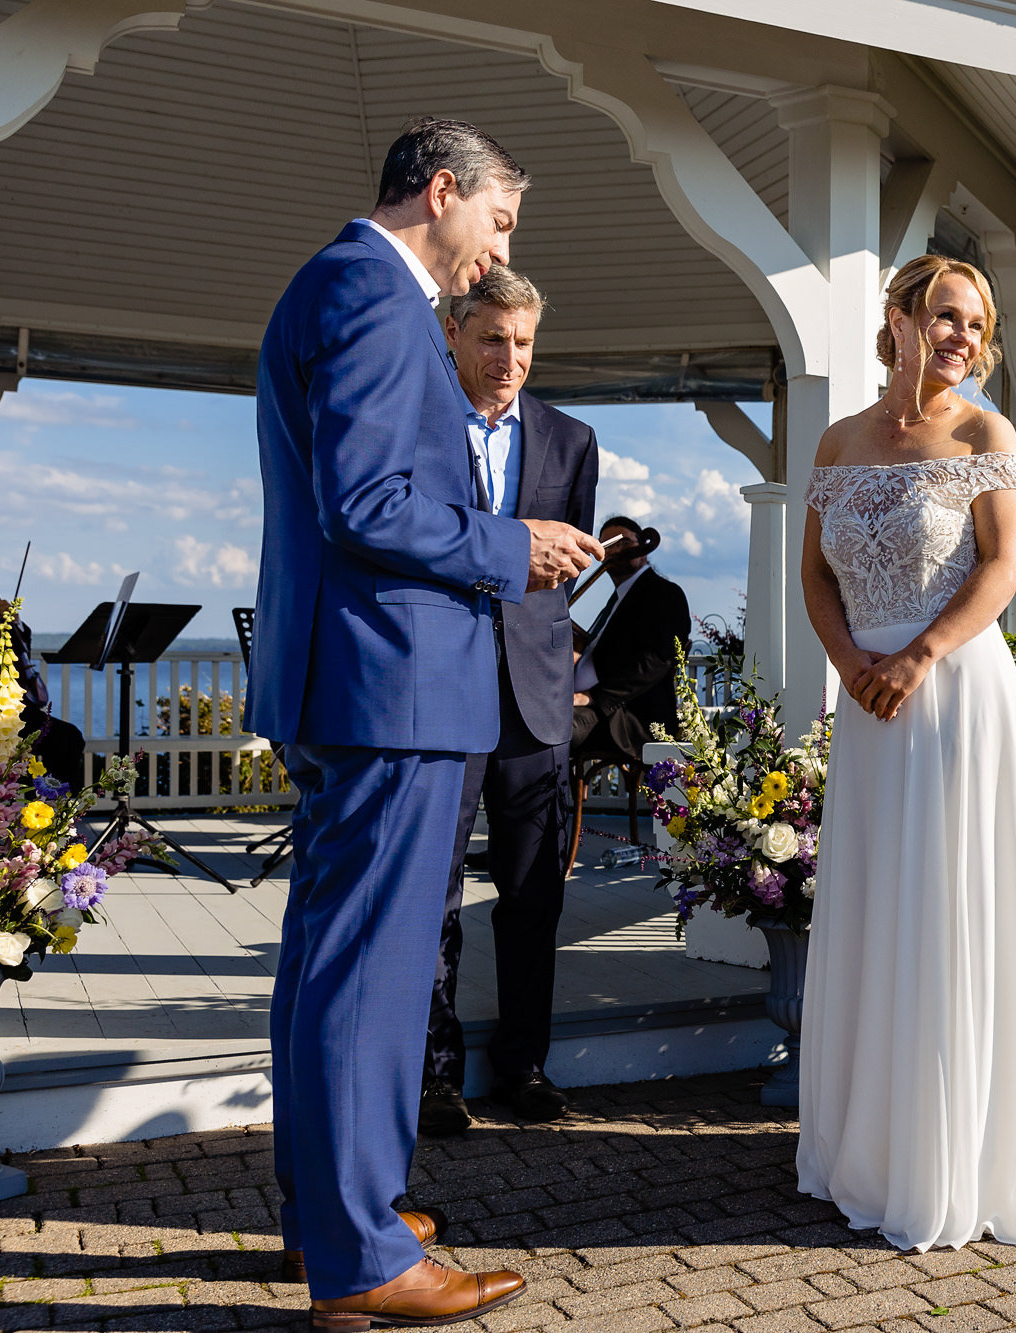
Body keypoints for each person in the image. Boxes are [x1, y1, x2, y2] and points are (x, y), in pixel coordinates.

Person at [248, 117, 602, 1325]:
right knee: (373, 972)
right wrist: (515, 545)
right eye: (497, 221)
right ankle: (359, 1257)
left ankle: (328, 1213)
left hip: (359, 678)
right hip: (388, 680)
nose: (495, 250)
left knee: (329, 962)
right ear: (442, 192)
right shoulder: (374, 293)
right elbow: (371, 504)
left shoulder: (336, 286)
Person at [797, 253, 1016, 1251]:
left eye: (974, 323)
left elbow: (1005, 564)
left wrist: (919, 654)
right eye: (944, 315)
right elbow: (815, 574)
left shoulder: (986, 430)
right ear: (898, 316)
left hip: (953, 694)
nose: (960, 336)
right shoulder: (839, 438)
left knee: (951, 903)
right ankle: (873, 1147)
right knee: (873, 907)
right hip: (867, 698)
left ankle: (965, 1156)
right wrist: (850, 659)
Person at [419, 267, 598, 1137]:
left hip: (536, 697)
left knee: (535, 894)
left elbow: (563, 573)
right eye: (494, 338)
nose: (510, 358)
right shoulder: (415, 431)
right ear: (455, 333)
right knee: (435, 893)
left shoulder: (571, 440)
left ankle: (524, 1063)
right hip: (441, 693)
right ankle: (432, 1076)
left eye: (524, 342)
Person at [569, 517, 691, 765]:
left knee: (552, 731)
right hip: (594, 706)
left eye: (624, 542)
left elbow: (656, 661)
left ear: (643, 549)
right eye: (608, 545)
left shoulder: (664, 593)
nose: (616, 550)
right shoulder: (620, 597)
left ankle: (548, 803)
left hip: (627, 716)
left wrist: (594, 697)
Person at [0, 578, 85, 787]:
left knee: (68, 737)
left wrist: (15, 623)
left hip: (13, 710)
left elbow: (22, 645)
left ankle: (55, 807)